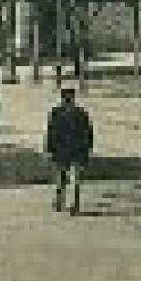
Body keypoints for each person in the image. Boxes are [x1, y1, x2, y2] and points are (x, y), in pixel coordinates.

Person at [45, 83, 94, 216]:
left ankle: (62, 201)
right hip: (74, 150)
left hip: (64, 150)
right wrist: (88, 149)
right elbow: (88, 133)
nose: (68, 101)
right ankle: (71, 203)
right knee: (72, 178)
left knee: (64, 176)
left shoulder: (56, 113)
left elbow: (51, 133)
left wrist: (50, 149)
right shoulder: (81, 113)